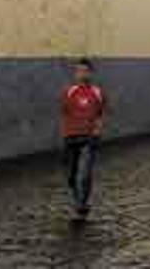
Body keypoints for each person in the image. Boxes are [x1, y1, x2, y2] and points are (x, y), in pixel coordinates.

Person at [60, 57, 106, 220]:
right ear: (75, 73)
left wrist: (97, 131)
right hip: (71, 138)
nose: (82, 74)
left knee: (85, 174)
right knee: (71, 176)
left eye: (85, 71)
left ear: (91, 73)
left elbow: (101, 114)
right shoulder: (68, 92)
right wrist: (65, 134)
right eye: (79, 71)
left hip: (89, 138)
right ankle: (78, 200)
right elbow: (64, 113)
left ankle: (81, 205)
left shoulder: (97, 92)